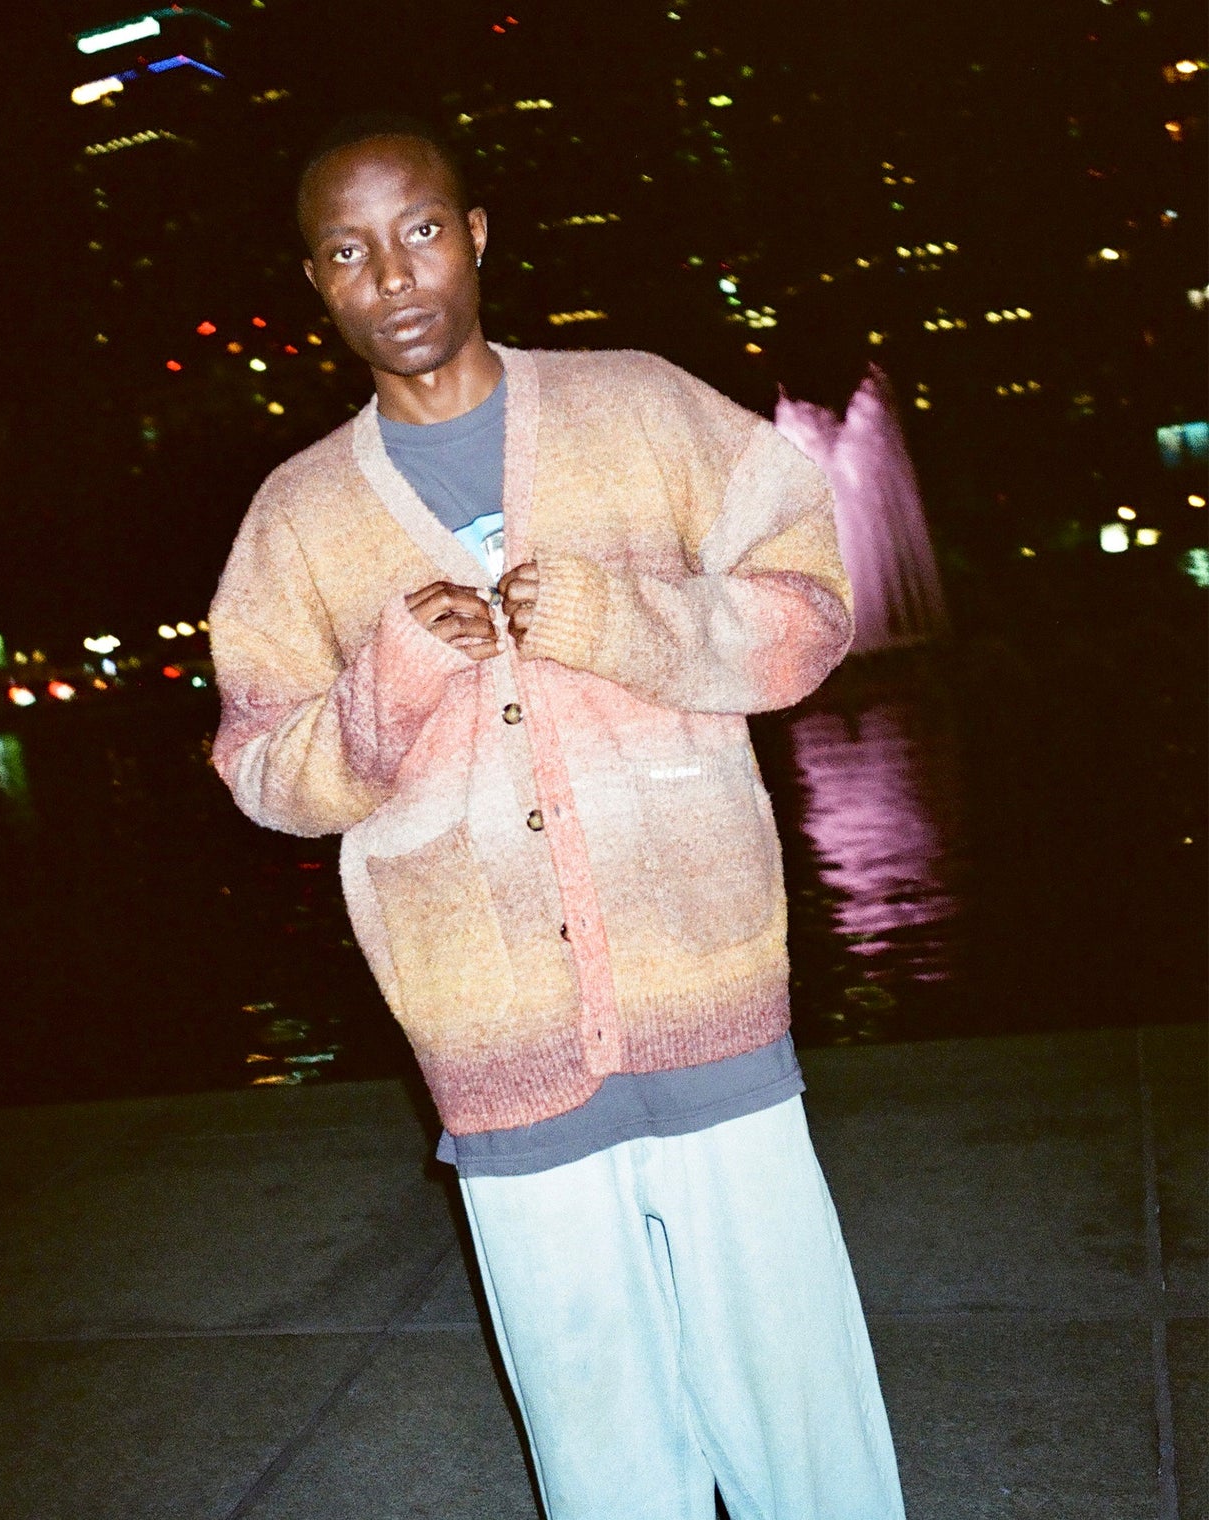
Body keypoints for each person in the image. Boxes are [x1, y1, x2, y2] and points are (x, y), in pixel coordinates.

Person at [208, 113, 906, 1520]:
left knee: (800, 1402)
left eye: (418, 231)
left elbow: (809, 610)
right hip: (493, 1027)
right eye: (349, 251)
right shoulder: (293, 519)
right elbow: (262, 773)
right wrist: (389, 681)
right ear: (316, 286)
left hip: (707, 980)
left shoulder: (641, 403)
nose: (393, 274)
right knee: (594, 1429)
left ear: (476, 237)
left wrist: (624, 620)